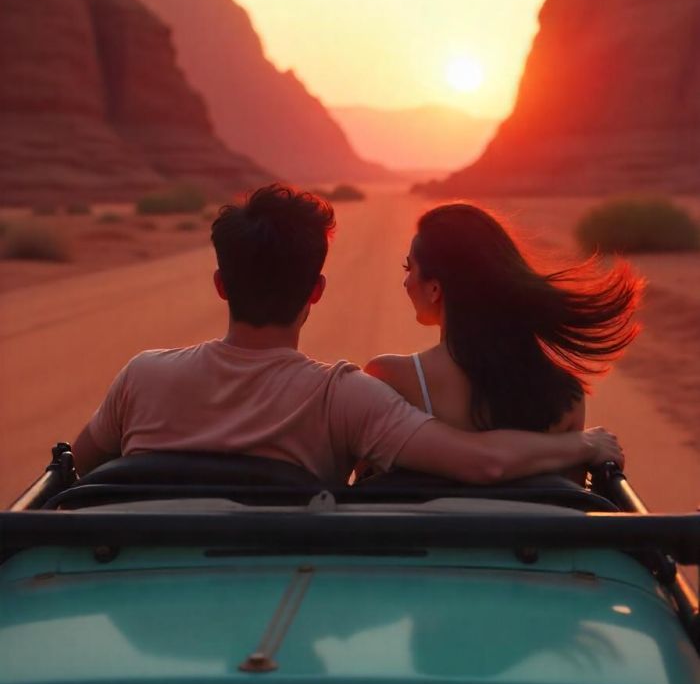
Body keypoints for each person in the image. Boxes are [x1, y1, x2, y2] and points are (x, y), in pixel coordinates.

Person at [72, 184, 623, 483]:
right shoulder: (343, 398)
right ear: (316, 290)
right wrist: (583, 443)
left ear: (221, 284)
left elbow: (76, 468)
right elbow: (480, 461)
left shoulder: (139, 378)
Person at [365, 203, 641, 452]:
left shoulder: (391, 377)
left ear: (435, 287)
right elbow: (567, 499)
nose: (406, 283)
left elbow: (370, 486)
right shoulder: (566, 395)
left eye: (408, 268)